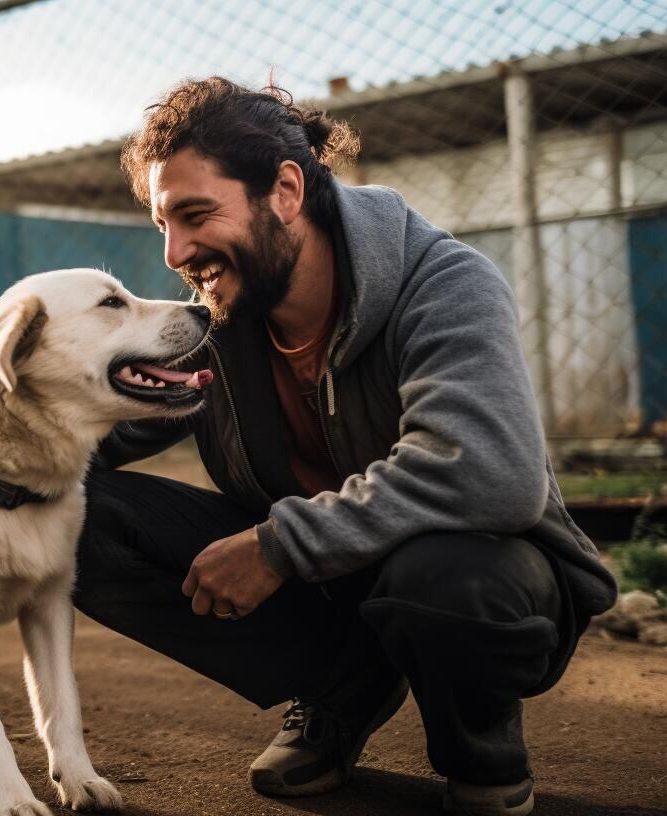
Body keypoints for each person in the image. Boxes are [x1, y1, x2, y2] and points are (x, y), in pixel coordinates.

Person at [73, 77, 617, 816]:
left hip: (481, 577)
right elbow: (85, 429)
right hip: (331, 588)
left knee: (445, 573)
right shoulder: (219, 325)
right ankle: (341, 685)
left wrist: (274, 545)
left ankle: (478, 748)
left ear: (286, 190)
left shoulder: (444, 283)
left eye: (196, 215)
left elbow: (489, 471)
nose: (174, 252)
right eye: (163, 224)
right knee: (73, 515)